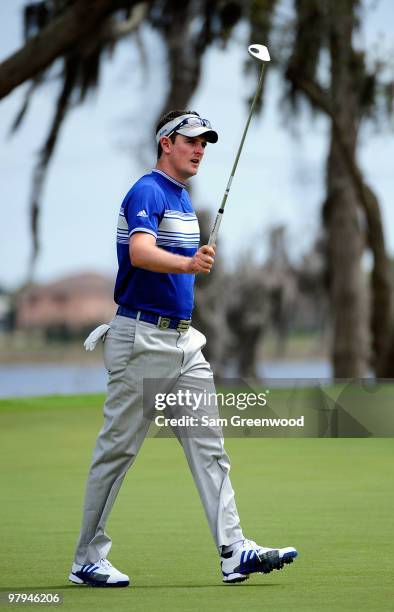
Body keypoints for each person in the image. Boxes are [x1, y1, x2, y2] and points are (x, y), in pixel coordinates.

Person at [69, 110, 298, 588]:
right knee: (118, 451)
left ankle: (234, 551)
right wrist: (190, 262)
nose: (200, 149)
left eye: (205, 143)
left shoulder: (182, 197)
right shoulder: (147, 191)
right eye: (192, 140)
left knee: (209, 448)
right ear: (166, 143)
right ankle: (86, 558)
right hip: (140, 340)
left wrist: (188, 265)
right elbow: (139, 252)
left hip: (183, 343)